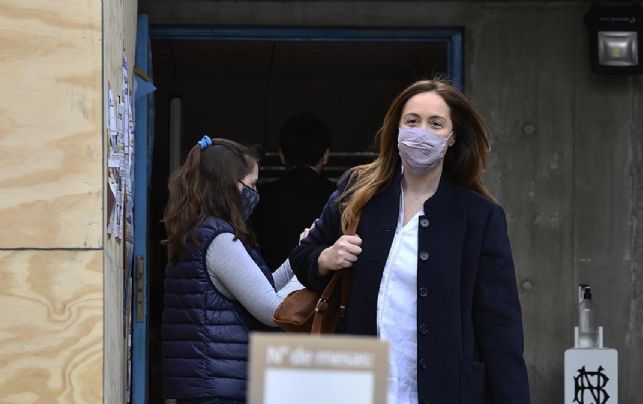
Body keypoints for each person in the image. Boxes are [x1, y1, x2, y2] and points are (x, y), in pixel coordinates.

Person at [290, 80, 531, 404]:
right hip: (358, 388)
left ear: (452, 137)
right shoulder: (358, 192)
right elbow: (303, 257)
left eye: (435, 124)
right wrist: (326, 258)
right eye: (412, 121)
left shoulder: (479, 217)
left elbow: (500, 330)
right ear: (397, 129)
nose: (422, 132)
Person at [161, 136, 302, 404]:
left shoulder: (198, 232)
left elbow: (260, 287)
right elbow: (274, 310)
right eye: (251, 185)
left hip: (205, 386)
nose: (255, 195)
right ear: (227, 185)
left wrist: (299, 258)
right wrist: (314, 266)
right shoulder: (220, 241)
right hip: (217, 390)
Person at [253, 113, 336, 269]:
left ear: (281, 155)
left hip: (267, 286)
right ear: (325, 155)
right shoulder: (339, 196)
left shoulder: (258, 197)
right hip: (322, 289)